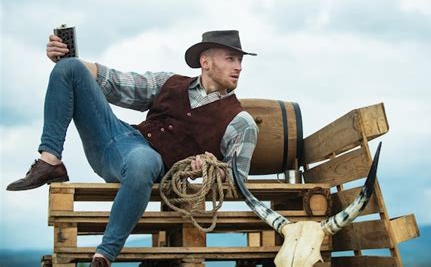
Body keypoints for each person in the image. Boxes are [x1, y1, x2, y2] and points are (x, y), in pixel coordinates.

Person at [6, 30, 259, 267]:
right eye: (230, 59)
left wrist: (206, 170)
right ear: (205, 62)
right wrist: (65, 56)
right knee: (69, 67)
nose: (238, 67)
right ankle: (49, 161)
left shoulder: (240, 122)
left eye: (240, 60)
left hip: (150, 163)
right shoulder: (168, 82)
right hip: (116, 138)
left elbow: (237, 181)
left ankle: (104, 255)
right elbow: (116, 83)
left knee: (142, 161)